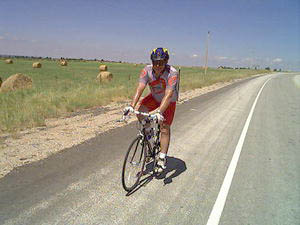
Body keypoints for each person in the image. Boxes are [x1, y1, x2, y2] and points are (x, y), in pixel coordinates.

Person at [124, 47, 179, 172]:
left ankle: (162, 157)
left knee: (164, 127)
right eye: (155, 62)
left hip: (168, 101)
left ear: (166, 62)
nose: (158, 65)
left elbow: (169, 94)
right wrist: (131, 106)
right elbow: (140, 88)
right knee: (141, 111)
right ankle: (149, 134)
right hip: (154, 97)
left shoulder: (172, 73)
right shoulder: (146, 70)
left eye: (161, 62)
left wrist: (159, 112)